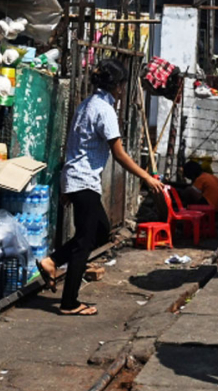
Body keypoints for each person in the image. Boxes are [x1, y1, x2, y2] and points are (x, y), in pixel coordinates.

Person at [38, 59, 164, 316]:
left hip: (76, 179)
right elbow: (119, 154)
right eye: (122, 85)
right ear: (117, 86)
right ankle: (69, 302)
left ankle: (52, 261)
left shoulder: (87, 105)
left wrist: (65, 186)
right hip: (83, 180)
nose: (123, 89)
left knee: (100, 231)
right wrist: (146, 177)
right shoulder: (104, 110)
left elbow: (73, 145)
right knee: (85, 242)